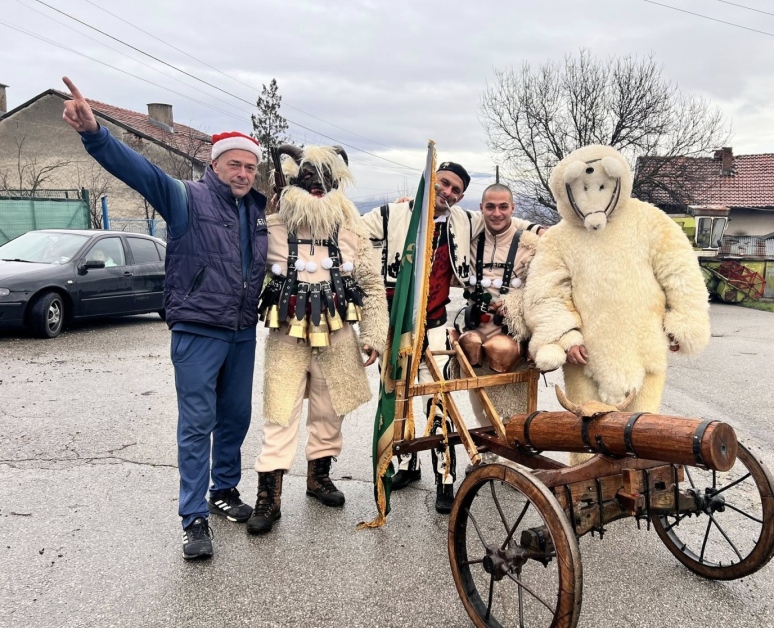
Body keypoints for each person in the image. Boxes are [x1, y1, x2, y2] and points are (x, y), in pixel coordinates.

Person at [62, 76, 268, 560]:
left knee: (235, 418)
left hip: (241, 331)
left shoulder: (257, 211)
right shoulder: (185, 197)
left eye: (250, 166)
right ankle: (193, 515)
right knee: (198, 424)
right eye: (234, 164)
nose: (242, 173)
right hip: (198, 330)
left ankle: (224, 490)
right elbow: (138, 171)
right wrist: (95, 134)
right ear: (214, 165)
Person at [359, 162, 542, 513]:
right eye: (443, 184)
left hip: (436, 324)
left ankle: (445, 477)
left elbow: (504, 222)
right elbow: (351, 235)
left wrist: (541, 230)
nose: (448, 193)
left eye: (456, 191)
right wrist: (374, 279)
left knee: (438, 398)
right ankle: (407, 465)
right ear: (430, 182)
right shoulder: (391, 214)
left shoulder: (463, 220)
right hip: (397, 326)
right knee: (399, 396)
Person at [247, 144, 388, 534]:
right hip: (286, 338)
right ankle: (268, 496)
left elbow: (372, 285)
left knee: (330, 411)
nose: (316, 188)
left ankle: (318, 477)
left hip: (338, 336)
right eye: (308, 179)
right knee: (279, 411)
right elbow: (248, 277)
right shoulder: (272, 227)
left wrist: (373, 335)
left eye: (324, 181)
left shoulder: (352, 230)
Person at [457, 184, 538, 436]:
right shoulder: (466, 242)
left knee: (515, 409)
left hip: (514, 338)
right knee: (480, 404)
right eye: (490, 206)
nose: (497, 213)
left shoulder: (531, 245)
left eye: (503, 206)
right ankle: (488, 457)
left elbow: (544, 293)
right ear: (481, 208)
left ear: (513, 208)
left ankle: (516, 456)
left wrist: (514, 304)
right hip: (476, 335)